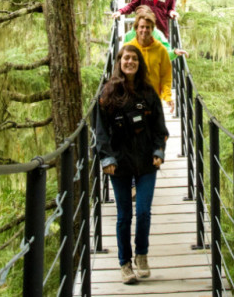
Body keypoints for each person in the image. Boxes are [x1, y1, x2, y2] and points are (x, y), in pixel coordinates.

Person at [96, 44, 169, 285]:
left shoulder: (148, 92)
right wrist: (106, 158)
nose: (130, 62)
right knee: (124, 215)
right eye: (126, 58)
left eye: (134, 59)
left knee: (144, 211)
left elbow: (160, 127)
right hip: (119, 164)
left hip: (146, 161)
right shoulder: (108, 93)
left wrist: (159, 150)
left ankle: (142, 254)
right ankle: (124, 263)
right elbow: (101, 131)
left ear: (139, 64)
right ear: (119, 61)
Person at [125, 11, 173, 114]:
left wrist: (167, 96)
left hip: (153, 102)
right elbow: (120, 73)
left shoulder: (161, 50)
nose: (144, 30)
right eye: (142, 27)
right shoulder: (128, 48)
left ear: (152, 29)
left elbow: (166, 76)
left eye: (148, 27)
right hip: (132, 100)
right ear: (136, 29)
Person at [121, 6, 189, 62]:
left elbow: (165, 54)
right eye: (139, 15)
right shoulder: (129, 36)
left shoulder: (158, 35)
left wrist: (174, 52)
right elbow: (124, 56)